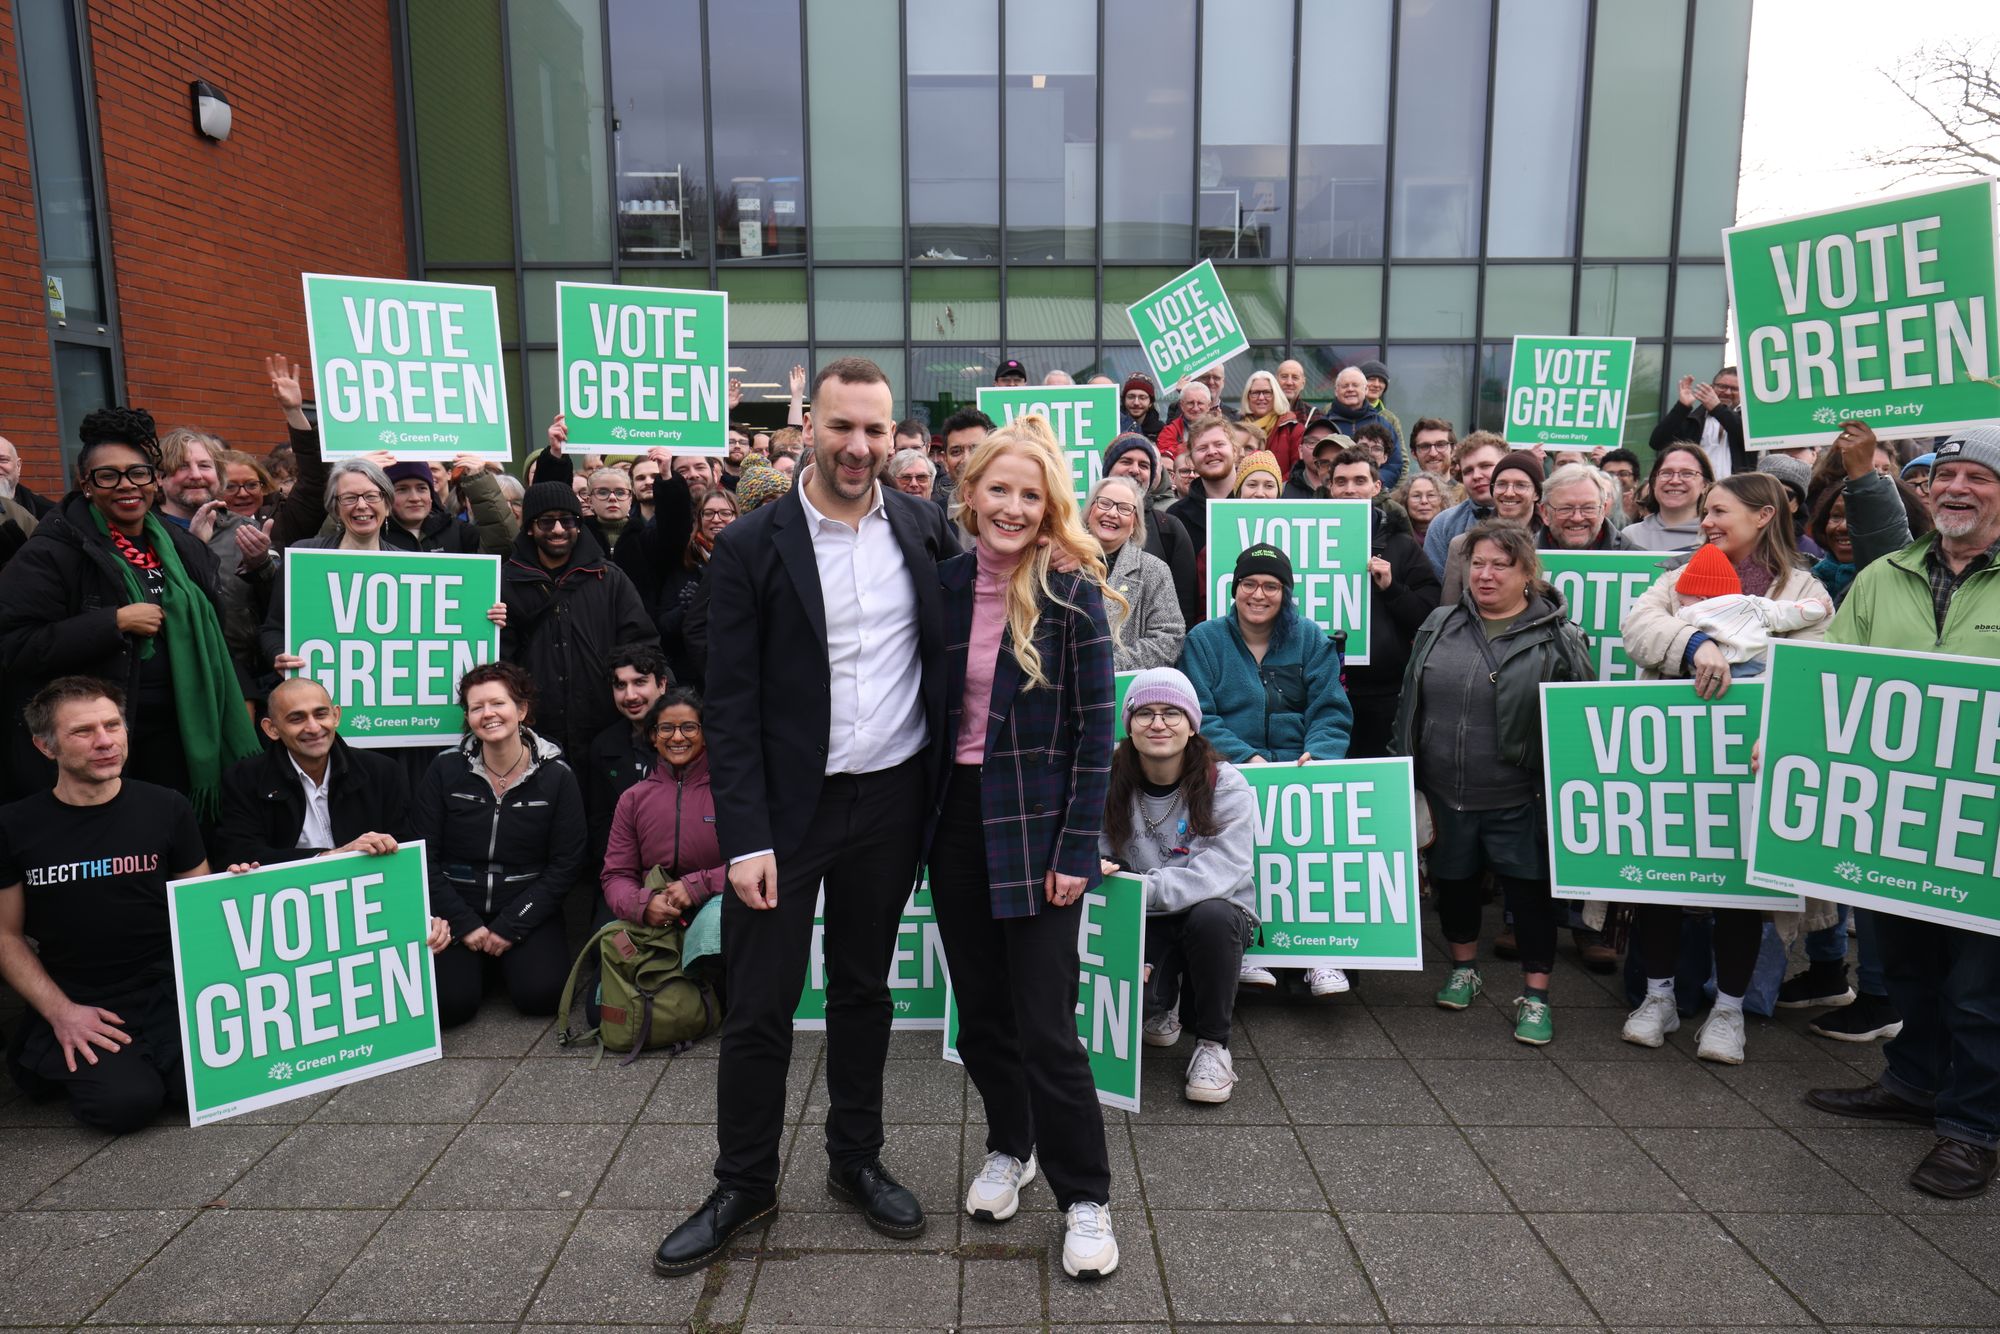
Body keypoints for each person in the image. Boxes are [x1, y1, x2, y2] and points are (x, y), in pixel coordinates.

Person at [654, 357, 959, 1278]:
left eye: (876, 430)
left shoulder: (923, 526)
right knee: (759, 1004)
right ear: (809, 430)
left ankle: (854, 1161)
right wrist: (743, 835)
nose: (859, 446)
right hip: (786, 813)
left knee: (865, 989)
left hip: (893, 797)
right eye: (841, 428)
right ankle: (744, 1182)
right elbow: (731, 704)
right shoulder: (753, 545)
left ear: (896, 435)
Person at [932, 414, 1120, 1278]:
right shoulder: (937, 583)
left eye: (1029, 493)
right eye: (997, 488)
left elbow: (1095, 737)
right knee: (979, 1022)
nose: (1011, 505)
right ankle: (1015, 1143)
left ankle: (1087, 1197)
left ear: (1050, 508)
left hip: (1039, 826)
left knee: (1048, 1028)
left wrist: (1077, 849)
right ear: (969, 495)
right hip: (955, 823)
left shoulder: (1072, 595)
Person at [1802, 426, 2000, 1199]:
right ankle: (1914, 1083)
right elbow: (1833, 670)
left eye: (1976, 477)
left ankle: (1974, 1128)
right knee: (1905, 967)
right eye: (1944, 475)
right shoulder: (1885, 574)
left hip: (1983, 829)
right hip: (1890, 821)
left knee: (1981, 989)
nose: (1955, 488)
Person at [1617, 474, 1832, 1064]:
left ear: (1764, 516)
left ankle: (1728, 1010)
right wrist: (1694, 644)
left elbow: (1810, 671)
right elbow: (1638, 629)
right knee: (1659, 877)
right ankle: (1657, 997)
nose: (1706, 521)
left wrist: (1779, 733)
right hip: (1673, 761)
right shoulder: (1675, 577)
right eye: (1706, 512)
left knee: (1739, 890)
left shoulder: (1804, 590)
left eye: (1718, 511)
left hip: (1748, 764)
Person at [1392, 522, 1593, 1045]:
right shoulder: (1438, 623)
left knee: (1529, 894)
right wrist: (1402, 765)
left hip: (1518, 794)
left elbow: (1580, 720)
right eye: (1476, 563)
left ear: (1528, 573)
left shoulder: (1559, 637)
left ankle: (1536, 993)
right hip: (1445, 793)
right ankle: (1463, 968)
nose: (1484, 574)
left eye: (1500, 565)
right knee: (1454, 885)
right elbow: (1410, 700)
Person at [0, 407, 260, 807]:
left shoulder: (184, 548)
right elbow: (13, 644)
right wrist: (111, 622)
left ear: (155, 480)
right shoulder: (52, 553)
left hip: (184, 737)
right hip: (100, 747)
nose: (127, 486)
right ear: (86, 484)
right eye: (108, 476)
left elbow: (215, 639)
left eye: (138, 473)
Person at [0, 678, 209, 1131]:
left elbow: (201, 909)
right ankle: (52, 1054)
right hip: (79, 994)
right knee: (127, 1106)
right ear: (45, 746)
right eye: (83, 732)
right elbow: (5, 936)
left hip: (164, 987)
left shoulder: (168, 806)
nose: (105, 742)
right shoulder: (14, 825)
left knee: (199, 1092)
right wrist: (61, 1013)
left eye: (113, 725)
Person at [1178, 544, 1353, 996]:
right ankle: (1245, 951)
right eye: (1249, 584)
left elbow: (1330, 708)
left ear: (1285, 592)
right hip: (1228, 768)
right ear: (1234, 589)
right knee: (1228, 854)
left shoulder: (1310, 638)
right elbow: (1200, 713)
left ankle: (1321, 956)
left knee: (1317, 854)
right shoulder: (1205, 639)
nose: (1259, 594)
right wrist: (1243, 757)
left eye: (1271, 586)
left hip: (1298, 764)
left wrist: (1320, 754)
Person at [1099, 667, 1255, 1103]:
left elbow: (1225, 868)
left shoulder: (1225, 784)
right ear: (1128, 723)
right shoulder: (1105, 776)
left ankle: (1212, 1044)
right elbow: (1092, 847)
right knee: (1140, 1005)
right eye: (1144, 713)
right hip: (1142, 912)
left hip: (1211, 910)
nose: (1158, 723)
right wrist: (1105, 870)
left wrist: (1141, 887)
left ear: (1191, 723)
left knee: (1212, 917)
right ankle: (1163, 1006)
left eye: (1172, 712)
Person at [414, 662, 584, 1029]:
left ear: (521, 710)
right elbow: (424, 856)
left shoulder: (556, 776)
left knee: (541, 996)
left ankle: (500, 958)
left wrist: (511, 924)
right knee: (450, 1007)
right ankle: (481, 961)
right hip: (456, 903)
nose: (488, 714)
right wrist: (463, 923)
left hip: (523, 900)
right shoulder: (445, 770)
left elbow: (567, 862)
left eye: (498, 703)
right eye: (477, 707)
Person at [499, 481, 657, 761]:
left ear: (579, 524)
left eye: (567, 520)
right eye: (547, 522)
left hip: (604, 730)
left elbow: (642, 645)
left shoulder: (609, 578)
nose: (558, 529)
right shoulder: (504, 583)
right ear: (530, 528)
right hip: (532, 734)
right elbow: (497, 663)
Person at [213, 676, 414, 866]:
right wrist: (328, 856)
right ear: (271, 729)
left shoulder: (382, 771)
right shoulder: (244, 778)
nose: (313, 727)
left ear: (336, 716)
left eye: (320, 714)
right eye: (296, 719)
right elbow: (239, 854)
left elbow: (407, 849)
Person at [1325, 448, 1441, 758]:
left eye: (1360, 480)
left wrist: (1392, 588)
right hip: (1320, 690)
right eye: (1341, 482)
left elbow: (1428, 616)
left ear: (1377, 488)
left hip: (1383, 694)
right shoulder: (1304, 540)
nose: (1350, 490)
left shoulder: (1402, 547)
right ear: (1330, 489)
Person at [601, 687, 725, 927]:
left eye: (688, 727)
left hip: (723, 913)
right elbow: (617, 875)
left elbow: (751, 863)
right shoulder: (633, 799)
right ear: (652, 736)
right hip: (656, 921)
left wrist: (697, 886)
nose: (677, 737)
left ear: (706, 734)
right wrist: (643, 906)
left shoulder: (728, 793)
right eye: (666, 728)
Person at [1665, 544, 1830, 675]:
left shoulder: (1690, 613)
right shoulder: (1753, 604)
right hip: (1756, 664)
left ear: (1701, 598)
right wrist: (1819, 607)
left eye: (1682, 601)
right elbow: (1788, 613)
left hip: (1711, 669)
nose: (1681, 606)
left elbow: (1671, 631)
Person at [582, 643, 672, 872]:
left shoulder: (692, 741)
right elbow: (600, 824)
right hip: (625, 873)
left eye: (640, 682)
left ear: (662, 685)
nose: (630, 695)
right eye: (620, 685)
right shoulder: (603, 748)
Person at [1087, 475, 1185, 671]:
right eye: (1104, 503)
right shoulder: (1061, 563)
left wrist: (1105, 667)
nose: (1112, 513)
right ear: (1089, 512)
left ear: (1135, 524)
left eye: (1124, 508)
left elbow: (1170, 638)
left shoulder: (1154, 570)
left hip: (1126, 690)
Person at [1101, 433, 1201, 623]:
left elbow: (1184, 613)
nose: (1135, 470)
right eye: (1126, 461)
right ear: (1108, 468)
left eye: (1144, 465)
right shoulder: (1079, 527)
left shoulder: (1170, 529)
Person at [1438, 451, 1542, 606]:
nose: (1509, 493)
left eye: (1520, 485)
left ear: (1536, 494)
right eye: (1501, 484)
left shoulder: (1551, 545)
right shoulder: (1462, 545)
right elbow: (1449, 612)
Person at [1165, 413, 1239, 574]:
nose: (1211, 452)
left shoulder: (1259, 505)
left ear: (1235, 451)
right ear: (1191, 459)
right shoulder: (1176, 517)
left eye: (1219, 444)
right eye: (1202, 448)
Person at [1423, 432, 1506, 575]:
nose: (1476, 476)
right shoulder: (1443, 524)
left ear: (1506, 465)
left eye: (1485, 466)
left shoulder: (1533, 518)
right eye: (1468, 471)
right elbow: (1434, 586)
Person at [1652, 369, 1747, 478]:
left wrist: (1717, 409)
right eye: (1722, 386)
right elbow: (1657, 442)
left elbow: (1745, 435)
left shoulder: (1749, 421)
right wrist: (1682, 407)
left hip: (1738, 490)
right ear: (1711, 388)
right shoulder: (1694, 420)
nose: (1727, 392)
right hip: (1697, 490)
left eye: (1735, 389)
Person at [1619, 443, 1713, 552]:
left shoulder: (1715, 535)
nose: (1675, 480)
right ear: (1654, 482)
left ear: (1705, 484)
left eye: (1687, 473)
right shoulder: (1630, 537)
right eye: (1666, 473)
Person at [1320, 367, 1404, 489]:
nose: (1350, 389)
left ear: (1365, 389)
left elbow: (1394, 464)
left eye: (1355, 385)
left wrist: (1372, 484)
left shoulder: (1383, 424)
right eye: (1345, 386)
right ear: (1336, 391)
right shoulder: (1324, 425)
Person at [1239, 370, 1303, 474]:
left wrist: (1277, 488)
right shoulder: (1236, 429)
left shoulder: (1293, 429)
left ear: (1276, 395)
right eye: (1255, 393)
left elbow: (1298, 469)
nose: (1261, 398)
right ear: (1248, 396)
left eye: (1266, 392)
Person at [933, 408, 993, 515]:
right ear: (945, 460)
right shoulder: (934, 518)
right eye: (956, 451)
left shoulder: (1011, 510)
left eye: (975, 449)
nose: (966, 459)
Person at [1394, 470, 1456, 548]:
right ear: (1405, 501)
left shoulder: (1455, 535)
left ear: (1443, 500)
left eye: (1431, 495)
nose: (1424, 501)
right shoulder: (1394, 538)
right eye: (1416, 496)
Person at [1282, 421, 1344, 498]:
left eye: (1329, 443)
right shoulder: (1282, 492)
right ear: (1300, 451)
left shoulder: (1351, 492)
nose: (1320, 447)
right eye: (1312, 442)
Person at [1154, 379, 1211, 459]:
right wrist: (1192, 446)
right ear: (1182, 406)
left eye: (1200, 403)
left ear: (1209, 406)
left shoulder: (1221, 429)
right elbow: (1165, 460)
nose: (1195, 408)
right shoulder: (1170, 431)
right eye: (1190, 403)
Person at [1599, 448, 1643, 522]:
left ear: (1636, 480)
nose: (1616, 478)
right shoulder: (1594, 506)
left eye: (1623, 474)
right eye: (1610, 474)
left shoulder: (1644, 509)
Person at [1120, 374, 1162, 440]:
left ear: (1150, 403)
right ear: (1124, 400)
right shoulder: (1113, 427)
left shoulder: (1162, 432)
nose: (1136, 402)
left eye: (1142, 398)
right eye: (1131, 397)